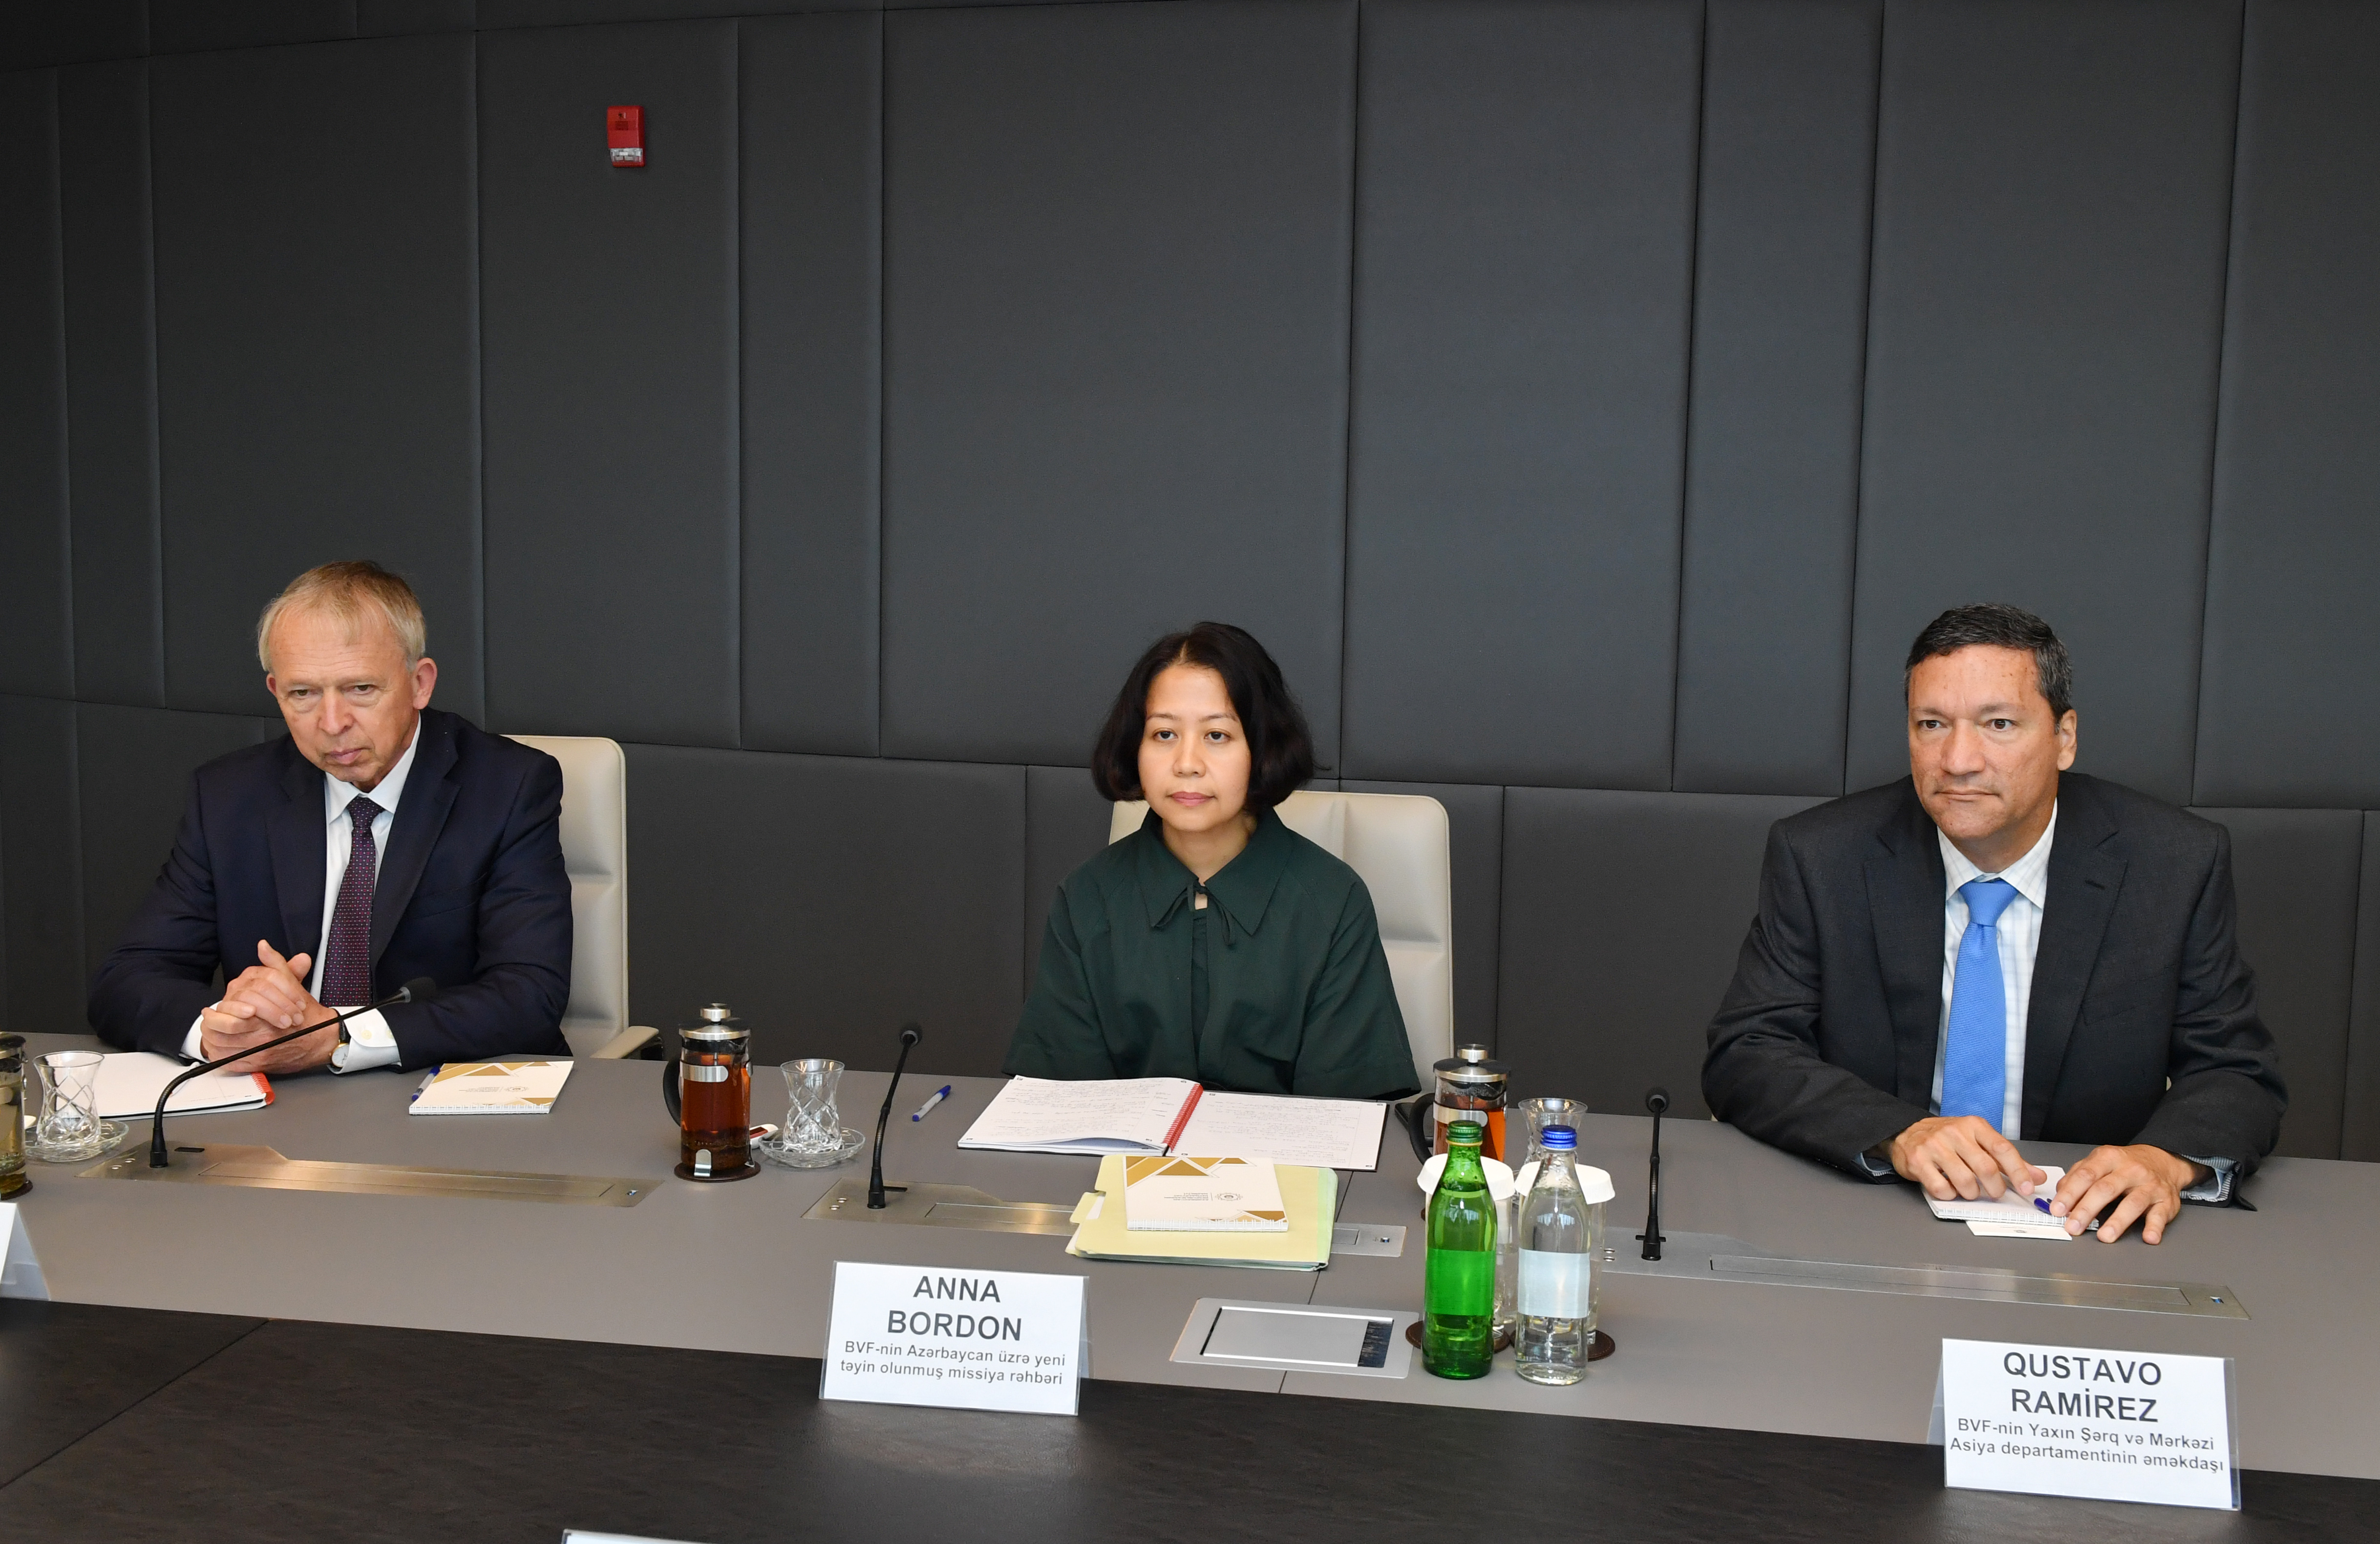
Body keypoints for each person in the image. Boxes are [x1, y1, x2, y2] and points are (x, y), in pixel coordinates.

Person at [1703, 603, 2285, 1244]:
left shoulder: (2173, 863)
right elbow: (1749, 1052)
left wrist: (2164, 1161)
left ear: (2064, 738)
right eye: (1932, 724)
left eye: (1998, 724)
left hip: (2088, 1230)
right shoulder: (1823, 857)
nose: (1958, 760)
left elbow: (2236, 1071)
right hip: (1873, 1217)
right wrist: (1899, 1133)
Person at [89, 561, 572, 1073]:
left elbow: (528, 993)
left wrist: (337, 1037)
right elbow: (126, 980)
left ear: (420, 684)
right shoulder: (230, 797)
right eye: (303, 694)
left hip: (439, 1086)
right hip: (279, 1099)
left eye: (361, 689)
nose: (333, 723)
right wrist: (220, 1032)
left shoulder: (508, 787)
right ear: (275, 691)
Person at [1004, 623, 1417, 1099]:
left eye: (1217, 735)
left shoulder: (1332, 901)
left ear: (1262, 747)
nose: (1187, 763)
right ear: (1135, 747)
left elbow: (1347, 1110)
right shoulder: (1086, 899)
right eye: (1164, 734)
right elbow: (1057, 1101)